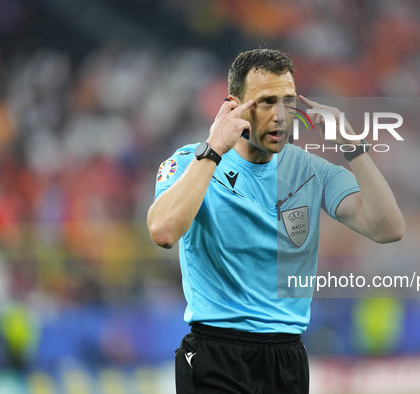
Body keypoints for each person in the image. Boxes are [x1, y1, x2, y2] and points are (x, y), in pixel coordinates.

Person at [147, 48, 405, 393]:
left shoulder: (310, 170)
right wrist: (212, 150)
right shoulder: (192, 162)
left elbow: (388, 228)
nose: (282, 115)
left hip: (287, 358)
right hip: (217, 353)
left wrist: (353, 148)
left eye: (288, 101)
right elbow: (163, 232)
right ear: (234, 105)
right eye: (267, 102)